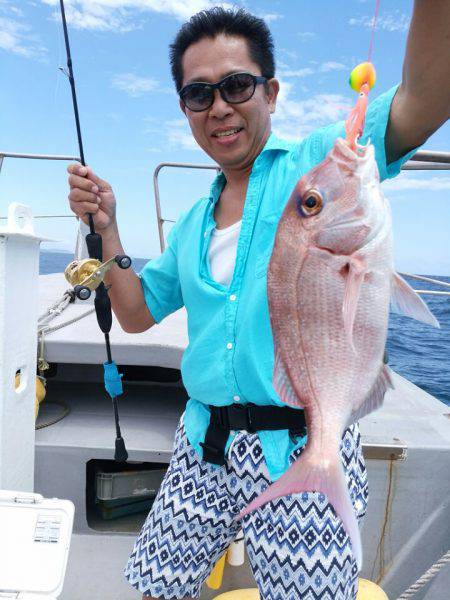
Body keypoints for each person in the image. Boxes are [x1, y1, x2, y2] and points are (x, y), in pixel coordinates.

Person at [67, 5, 450, 599]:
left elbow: (427, 98)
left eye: (237, 85)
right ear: (186, 110)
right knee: (151, 587)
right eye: (199, 93)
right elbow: (137, 313)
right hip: (202, 446)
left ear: (270, 92)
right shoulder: (194, 221)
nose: (219, 106)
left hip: (301, 445)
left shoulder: (320, 166)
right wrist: (111, 232)